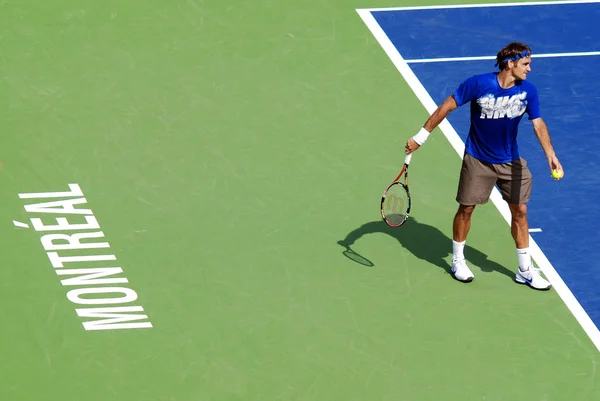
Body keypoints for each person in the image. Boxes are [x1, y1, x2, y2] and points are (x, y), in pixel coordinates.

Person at [405, 42, 563, 290]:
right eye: (526, 64)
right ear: (510, 64)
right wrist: (420, 137)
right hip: (478, 159)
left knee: (520, 211)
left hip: (511, 161)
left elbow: (538, 123)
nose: (529, 69)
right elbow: (447, 106)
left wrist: (551, 154)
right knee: (466, 209)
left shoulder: (528, 91)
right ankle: (457, 260)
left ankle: (525, 271)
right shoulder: (478, 84)